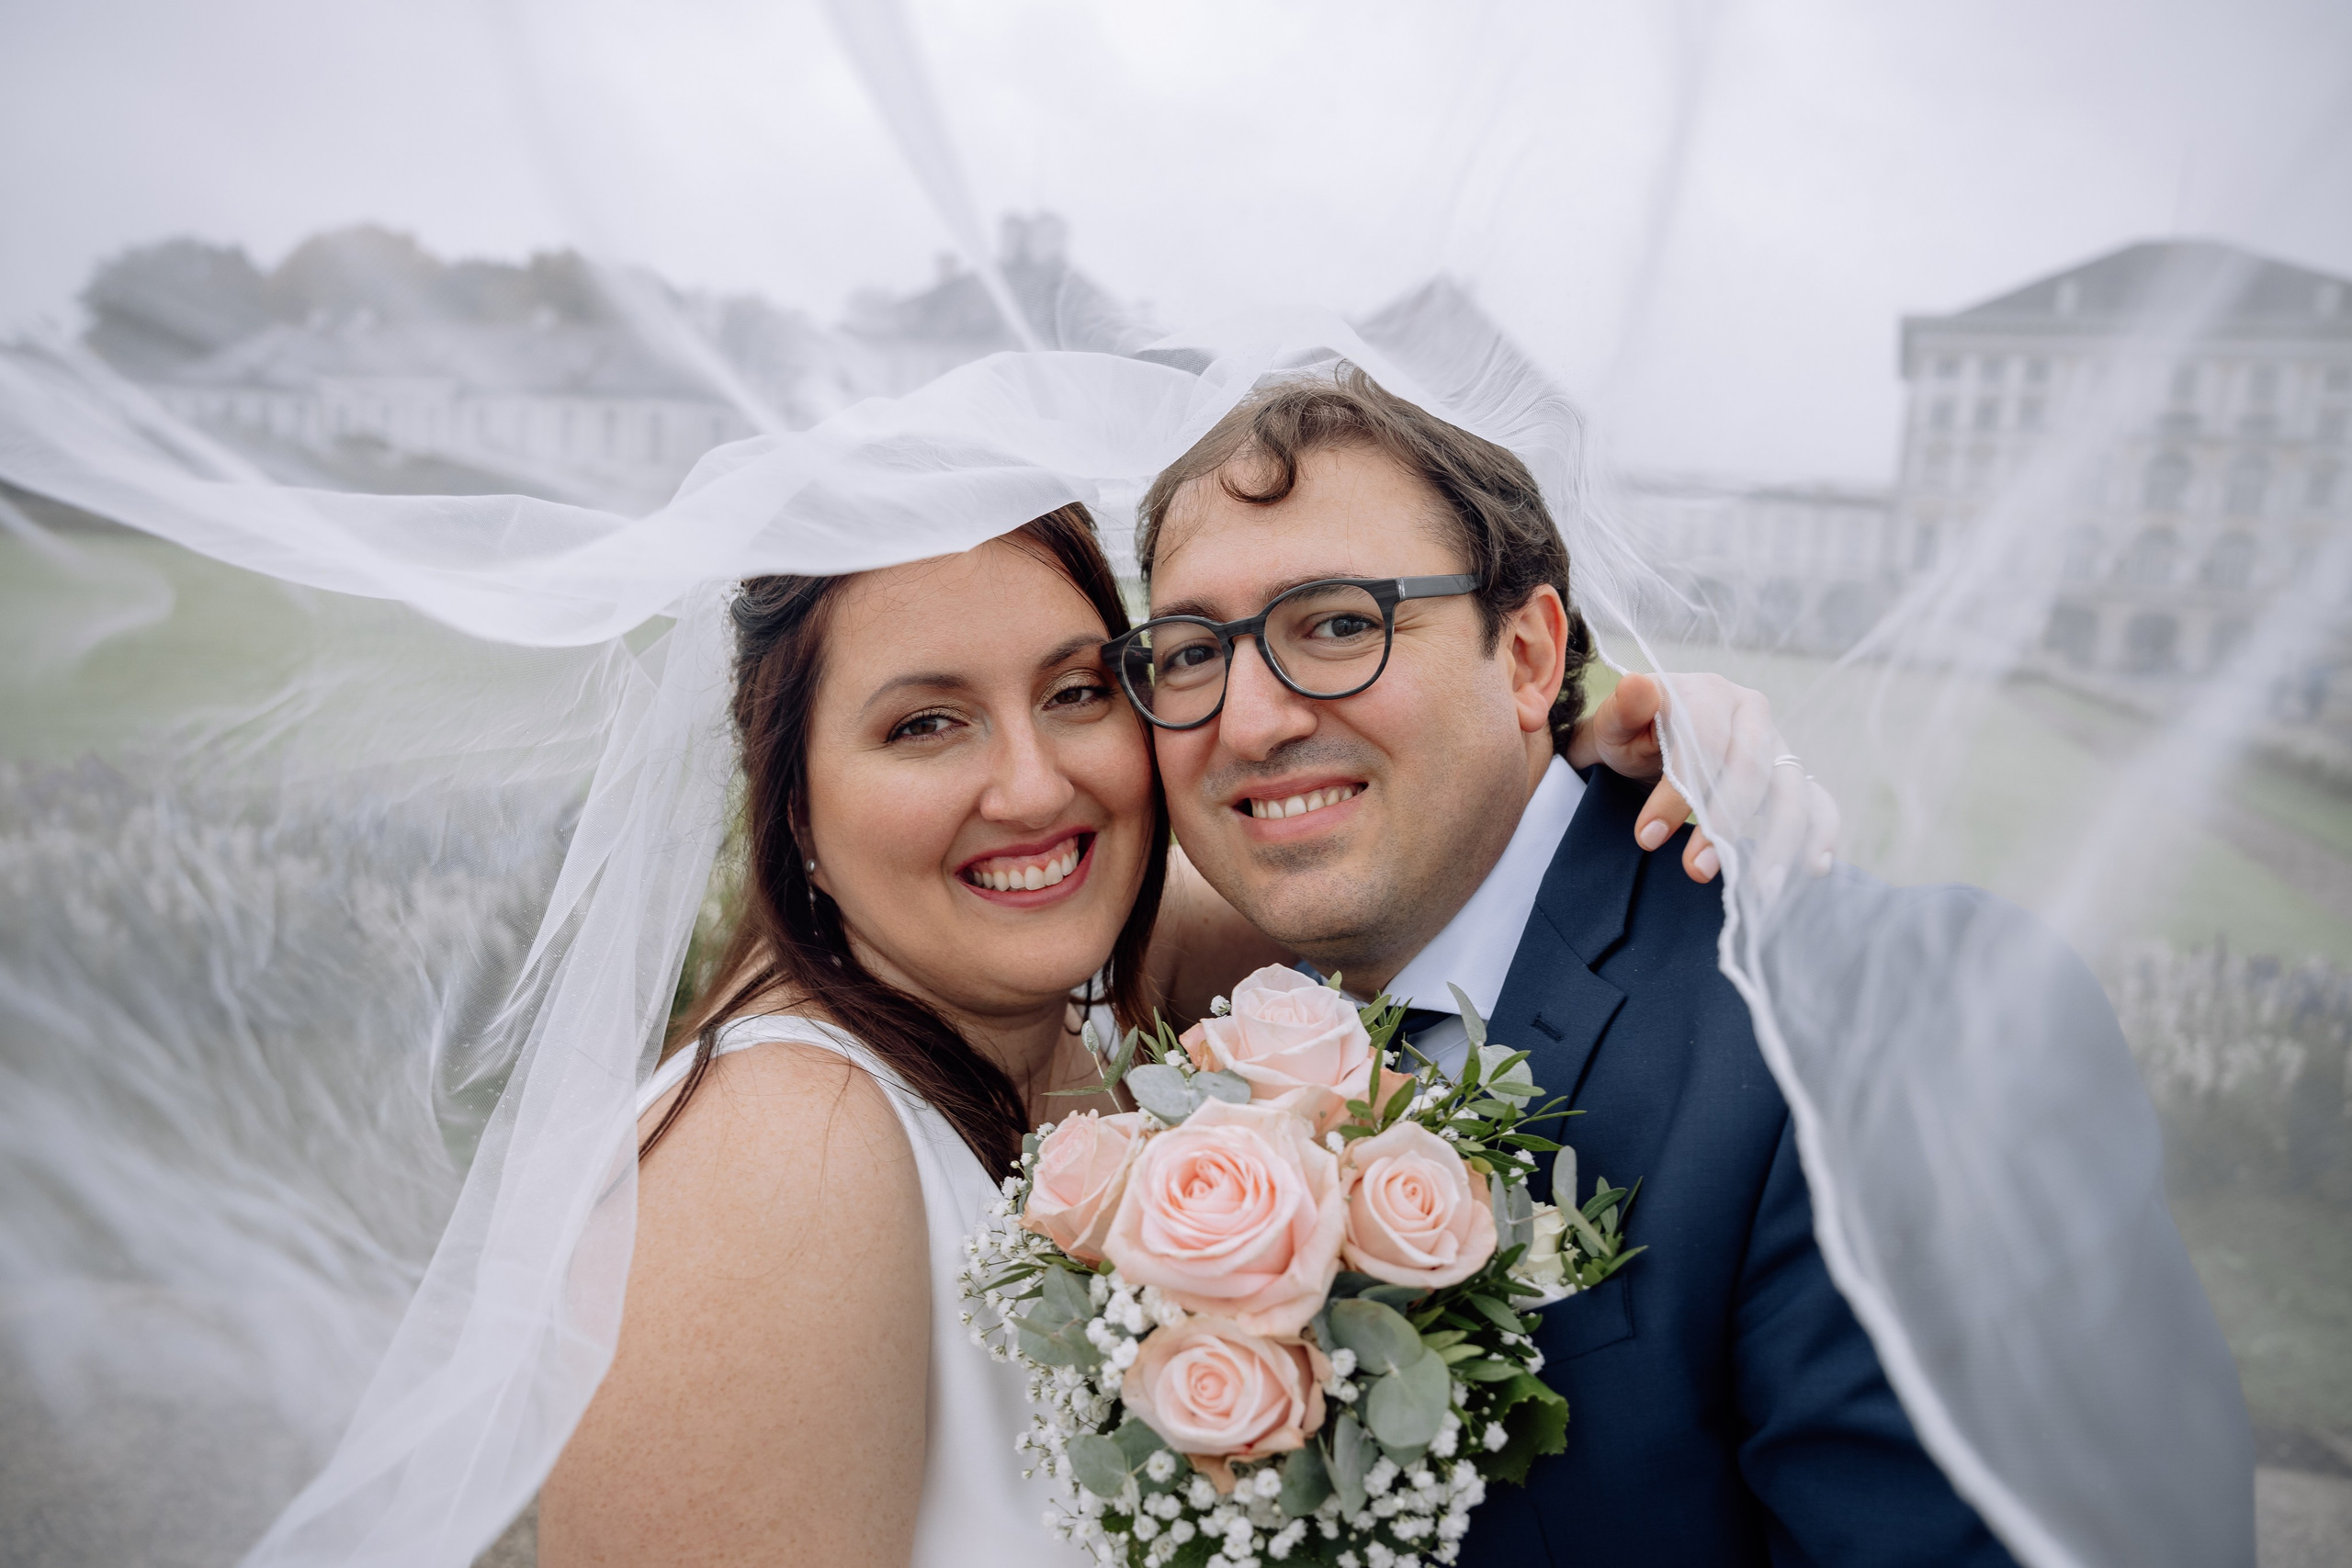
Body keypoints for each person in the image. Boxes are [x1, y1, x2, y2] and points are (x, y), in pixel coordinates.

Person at [536, 502, 1805, 1566]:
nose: (1036, 787)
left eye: (1079, 692)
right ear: (795, 807)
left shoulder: (1109, 987)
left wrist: (1587, 738)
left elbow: (1379, 864)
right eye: (924, 723)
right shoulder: (782, 1150)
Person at [1122, 366, 2247, 1566]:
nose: (1248, 721)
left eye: (1339, 624)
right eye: (1190, 654)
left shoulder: (1891, 1017)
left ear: (1529, 657)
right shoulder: (1225, 1053)